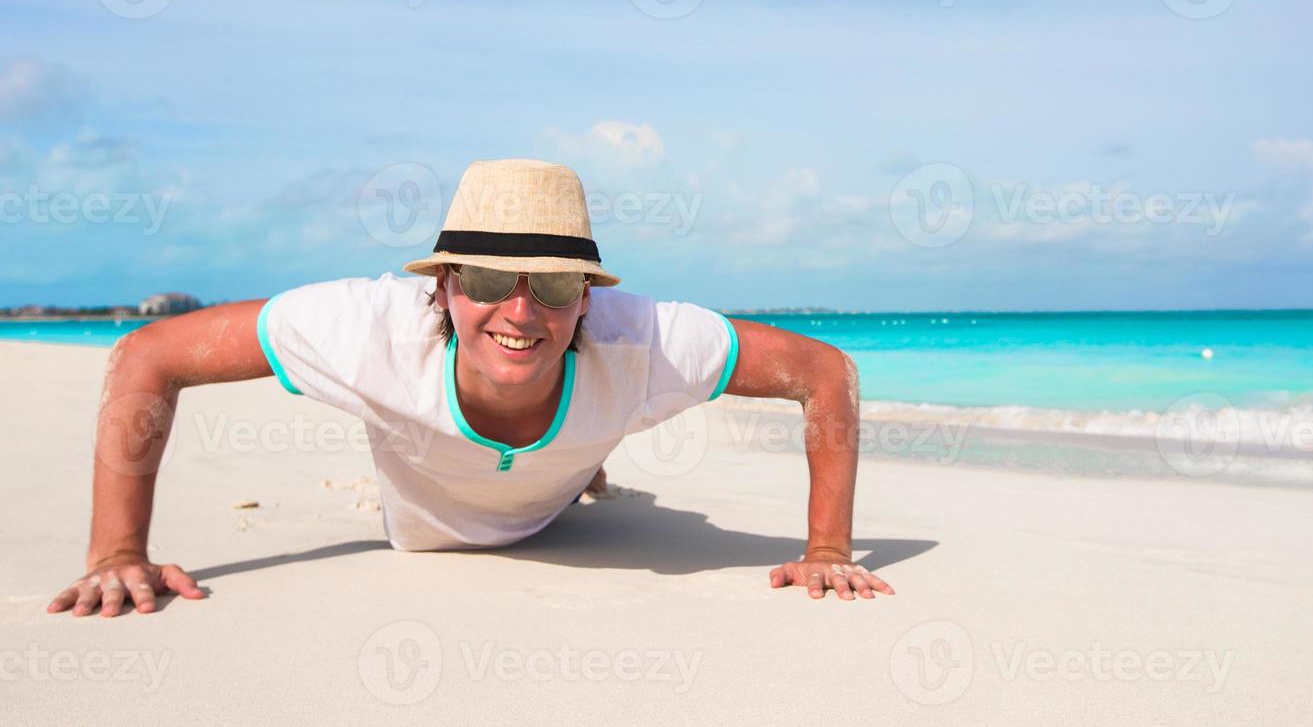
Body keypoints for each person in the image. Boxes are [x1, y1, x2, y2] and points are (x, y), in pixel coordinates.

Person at [49, 159, 893, 618]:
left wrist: (827, 550)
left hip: (559, 492)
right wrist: (117, 555)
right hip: (419, 519)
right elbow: (148, 354)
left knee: (576, 446)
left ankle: (579, 469)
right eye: (489, 278)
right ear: (445, 283)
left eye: (556, 286)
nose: (519, 308)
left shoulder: (647, 340)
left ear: (590, 298)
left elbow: (827, 373)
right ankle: (576, 467)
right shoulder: (365, 330)